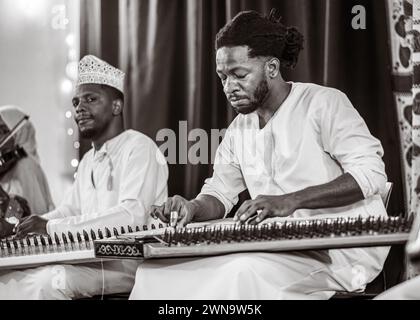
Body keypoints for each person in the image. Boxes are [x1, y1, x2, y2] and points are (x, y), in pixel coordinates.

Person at [129, 10, 390, 300]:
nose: (229, 87)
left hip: (342, 252)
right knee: (156, 273)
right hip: (277, 248)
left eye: (239, 74)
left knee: (240, 272)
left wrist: (290, 201)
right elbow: (219, 193)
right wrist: (191, 208)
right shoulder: (238, 129)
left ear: (272, 68)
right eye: (222, 76)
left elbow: (371, 175)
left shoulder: (323, 103)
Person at [0, 55, 168, 299]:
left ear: (116, 106)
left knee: (49, 281)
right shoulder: (89, 159)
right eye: (76, 102)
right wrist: (24, 228)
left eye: (91, 99)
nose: (79, 108)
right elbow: (70, 209)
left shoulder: (139, 147)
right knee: (8, 278)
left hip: (128, 264)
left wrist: (50, 227)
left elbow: (133, 215)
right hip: (86, 260)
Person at [0, 105, 54, 215]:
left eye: (5, 130)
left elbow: (37, 215)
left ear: (21, 133)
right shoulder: (6, 165)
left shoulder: (26, 165)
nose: (0, 136)